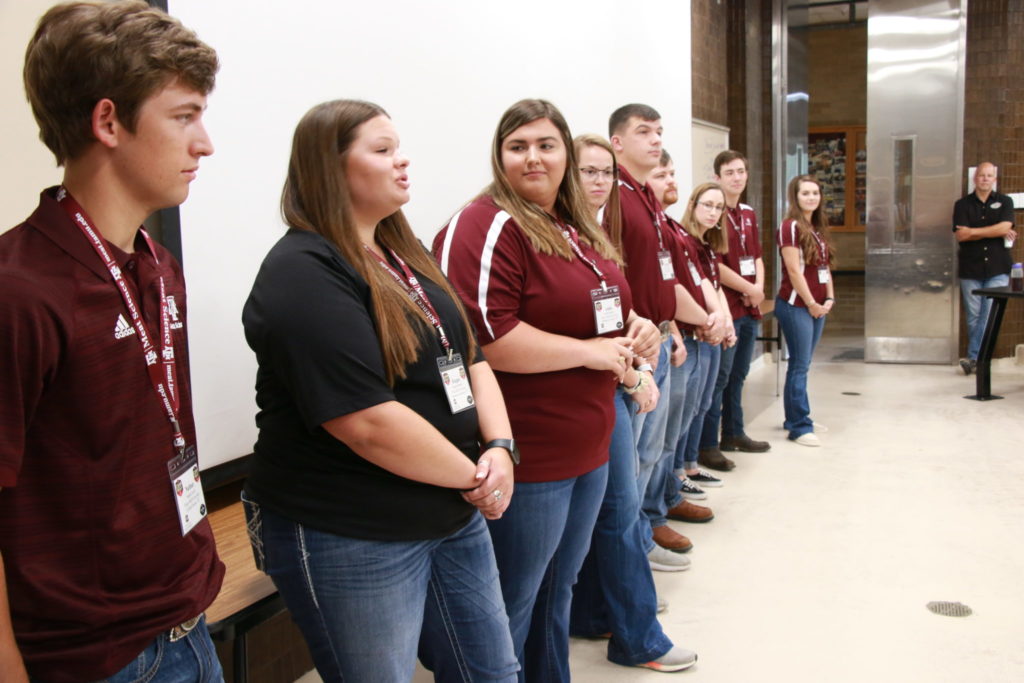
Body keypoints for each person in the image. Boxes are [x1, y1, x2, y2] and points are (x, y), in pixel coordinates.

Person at [241, 100, 518, 683]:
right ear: (331, 167)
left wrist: (500, 447)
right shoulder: (303, 270)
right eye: (383, 149)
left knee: (492, 671)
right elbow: (366, 422)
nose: (403, 160)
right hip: (354, 528)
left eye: (400, 146)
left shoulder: (401, 253)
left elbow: (469, 355)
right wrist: (477, 478)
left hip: (450, 508)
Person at [0, 2, 224, 680]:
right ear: (108, 122)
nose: (205, 142)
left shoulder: (157, 267)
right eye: (184, 115)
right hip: (95, 660)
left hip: (187, 619)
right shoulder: (22, 290)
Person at [434, 99, 668, 681]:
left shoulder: (569, 225)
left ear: (567, 151)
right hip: (529, 450)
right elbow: (484, 337)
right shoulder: (488, 223)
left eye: (546, 144)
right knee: (508, 603)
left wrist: (630, 328)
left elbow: (596, 304)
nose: (533, 157)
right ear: (500, 156)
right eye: (518, 146)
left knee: (556, 591)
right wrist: (592, 352)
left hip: (587, 440)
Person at [568, 134, 697, 673]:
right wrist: (632, 372)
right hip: (592, 390)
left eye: (605, 173)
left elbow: (612, 315)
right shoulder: (562, 236)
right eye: (587, 171)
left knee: (614, 510)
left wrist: (642, 339)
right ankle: (637, 634)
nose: (598, 181)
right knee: (618, 513)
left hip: (614, 382)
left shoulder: (596, 237)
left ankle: (605, 611)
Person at [607, 105, 714, 563]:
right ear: (617, 143)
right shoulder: (613, 197)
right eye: (643, 132)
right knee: (633, 461)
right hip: (635, 346)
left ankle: (645, 533)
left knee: (652, 450)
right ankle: (631, 550)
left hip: (661, 336)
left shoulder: (647, 201)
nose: (655, 140)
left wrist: (672, 328)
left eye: (659, 132)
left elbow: (661, 279)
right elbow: (610, 276)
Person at [645, 156, 730, 539]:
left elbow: (698, 284)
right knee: (658, 440)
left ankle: (666, 495)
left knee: (680, 423)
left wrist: (717, 319)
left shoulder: (672, 233)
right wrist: (704, 321)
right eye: (660, 174)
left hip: (688, 335)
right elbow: (669, 290)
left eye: (672, 173)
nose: (669, 180)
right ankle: (653, 514)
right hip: (677, 339)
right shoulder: (659, 230)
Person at [697, 150, 771, 470]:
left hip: (749, 306)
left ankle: (734, 432)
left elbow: (756, 256)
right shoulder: (713, 213)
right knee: (720, 376)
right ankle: (708, 444)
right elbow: (715, 265)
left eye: (741, 171)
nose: (737, 178)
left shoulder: (749, 214)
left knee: (739, 374)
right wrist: (748, 288)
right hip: (727, 306)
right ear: (717, 177)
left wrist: (759, 289)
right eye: (729, 172)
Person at [775, 175, 836, 446]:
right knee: (799, 365)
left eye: (815, 193)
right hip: (796, 306)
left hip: (817, 306)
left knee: (803, 365)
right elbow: (793, 271)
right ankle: (800, 427)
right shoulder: (789, 227)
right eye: (805, 193)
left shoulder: (817, 228)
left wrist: (830, 298)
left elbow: (824, 268)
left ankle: (796, 418)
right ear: (795, 197)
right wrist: (811, 303)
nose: (811, 197)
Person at [953, 162, 1017, 375]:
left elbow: (1006, 227)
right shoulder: (962, 205)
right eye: (982, 175)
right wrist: (993, 231)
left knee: (988, 314)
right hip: (970, 268)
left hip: (998, 268)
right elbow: (961, 235)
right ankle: (980, 360)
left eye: (990, 176)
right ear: (975, 178)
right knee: (973, 315)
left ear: (994, 179)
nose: (985, 179)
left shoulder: (1005, 201)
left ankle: (974, 358)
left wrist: (973, 231)